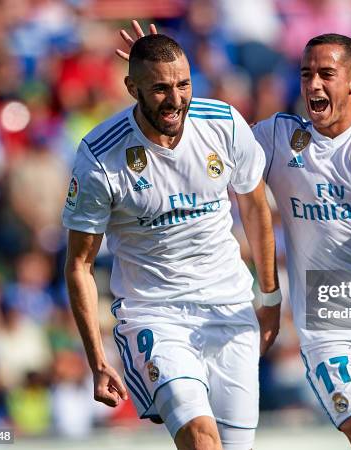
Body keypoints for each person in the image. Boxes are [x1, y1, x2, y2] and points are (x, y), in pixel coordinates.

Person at [117, 23, 351, 450]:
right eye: (306, 74)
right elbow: (206, 137)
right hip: (329, 323)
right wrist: (156, 73)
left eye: (326, 74)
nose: (313, 84)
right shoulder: (278, 137)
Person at [63, 32, 281, 450]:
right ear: (132, 88)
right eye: (160, 87)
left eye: (183, 84)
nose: (175, 99)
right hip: (155, 314)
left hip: (229, 309)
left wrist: (270, 298)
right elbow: (80, 265)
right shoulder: (100, 157)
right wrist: (97, 358)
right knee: (202, 440)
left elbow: (255, 210)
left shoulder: (223, 123)